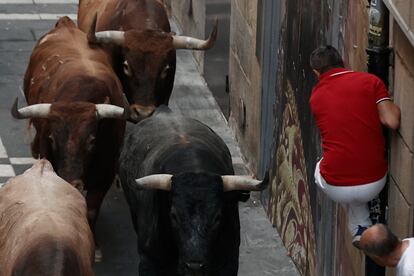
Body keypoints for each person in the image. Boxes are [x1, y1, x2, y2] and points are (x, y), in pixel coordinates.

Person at [309, 45, 401, 248]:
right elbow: (392, 121)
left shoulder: (315, 98)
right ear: (342, 61)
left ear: (317, 73)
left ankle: (360, 226)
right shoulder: (370, 82)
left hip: (336, 187)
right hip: (375, 182)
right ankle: (361, 226)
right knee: (352, 180)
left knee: (321, 168)